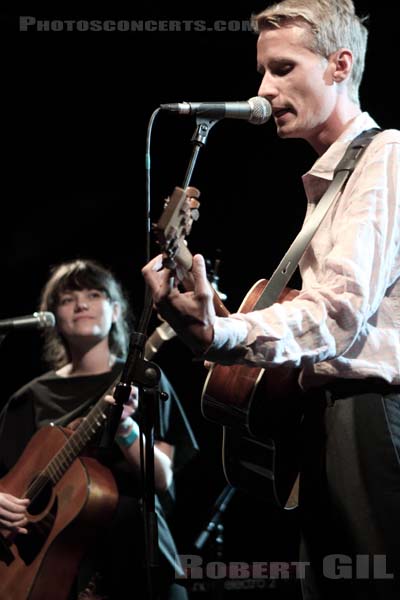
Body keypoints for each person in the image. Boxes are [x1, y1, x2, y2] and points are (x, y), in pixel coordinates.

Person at [142, 1, 400, 598]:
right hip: (327, 417)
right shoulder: (328, 183)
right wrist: (209, 316)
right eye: (263, 71)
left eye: (283, 68)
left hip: (367, 410)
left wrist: (222, 335)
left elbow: (337, 313)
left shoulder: (384, 156)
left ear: (340, 65)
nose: (264, 89)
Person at [0, 258, 198, 600]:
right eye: (66, 299)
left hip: (134, 560)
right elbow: (9, 481)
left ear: (117, 311)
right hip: (50, 567)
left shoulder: (146, 380)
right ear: (53, 319)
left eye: (94, 295)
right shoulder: (28, 398)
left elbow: (162, 477)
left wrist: (125, 428)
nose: (80, 304)